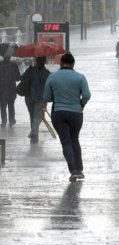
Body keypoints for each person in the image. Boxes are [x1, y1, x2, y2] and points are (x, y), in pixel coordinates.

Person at [43, 52, 91, 182]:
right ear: (73, 64)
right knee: (75, 139)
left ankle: (73, 170)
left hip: (59, 113)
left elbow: (46, 97)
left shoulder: (52, 77)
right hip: (76, 113)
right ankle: (80, 169)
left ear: (61, 63)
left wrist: (56, 97)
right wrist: (81, 104)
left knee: (66, 141)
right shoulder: (80, 77)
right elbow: (86, 95)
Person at [22, 56, 50, 143]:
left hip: (29, 97)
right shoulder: (47, 73)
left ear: (36, 61)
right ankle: (34, 133)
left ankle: (34, 137)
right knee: (37, 116)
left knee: (32, 116)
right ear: (45, 61)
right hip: (40, 97)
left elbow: (21, 78)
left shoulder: (31, 70)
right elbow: (49, 87)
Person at [0, 56, 21, 128]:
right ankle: (11, 121)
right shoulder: (14, 65)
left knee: (2, 106)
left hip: (1, 90)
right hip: (11, 89)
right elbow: (18, 78)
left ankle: (3, 122)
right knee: (11, 106)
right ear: (9, 56)